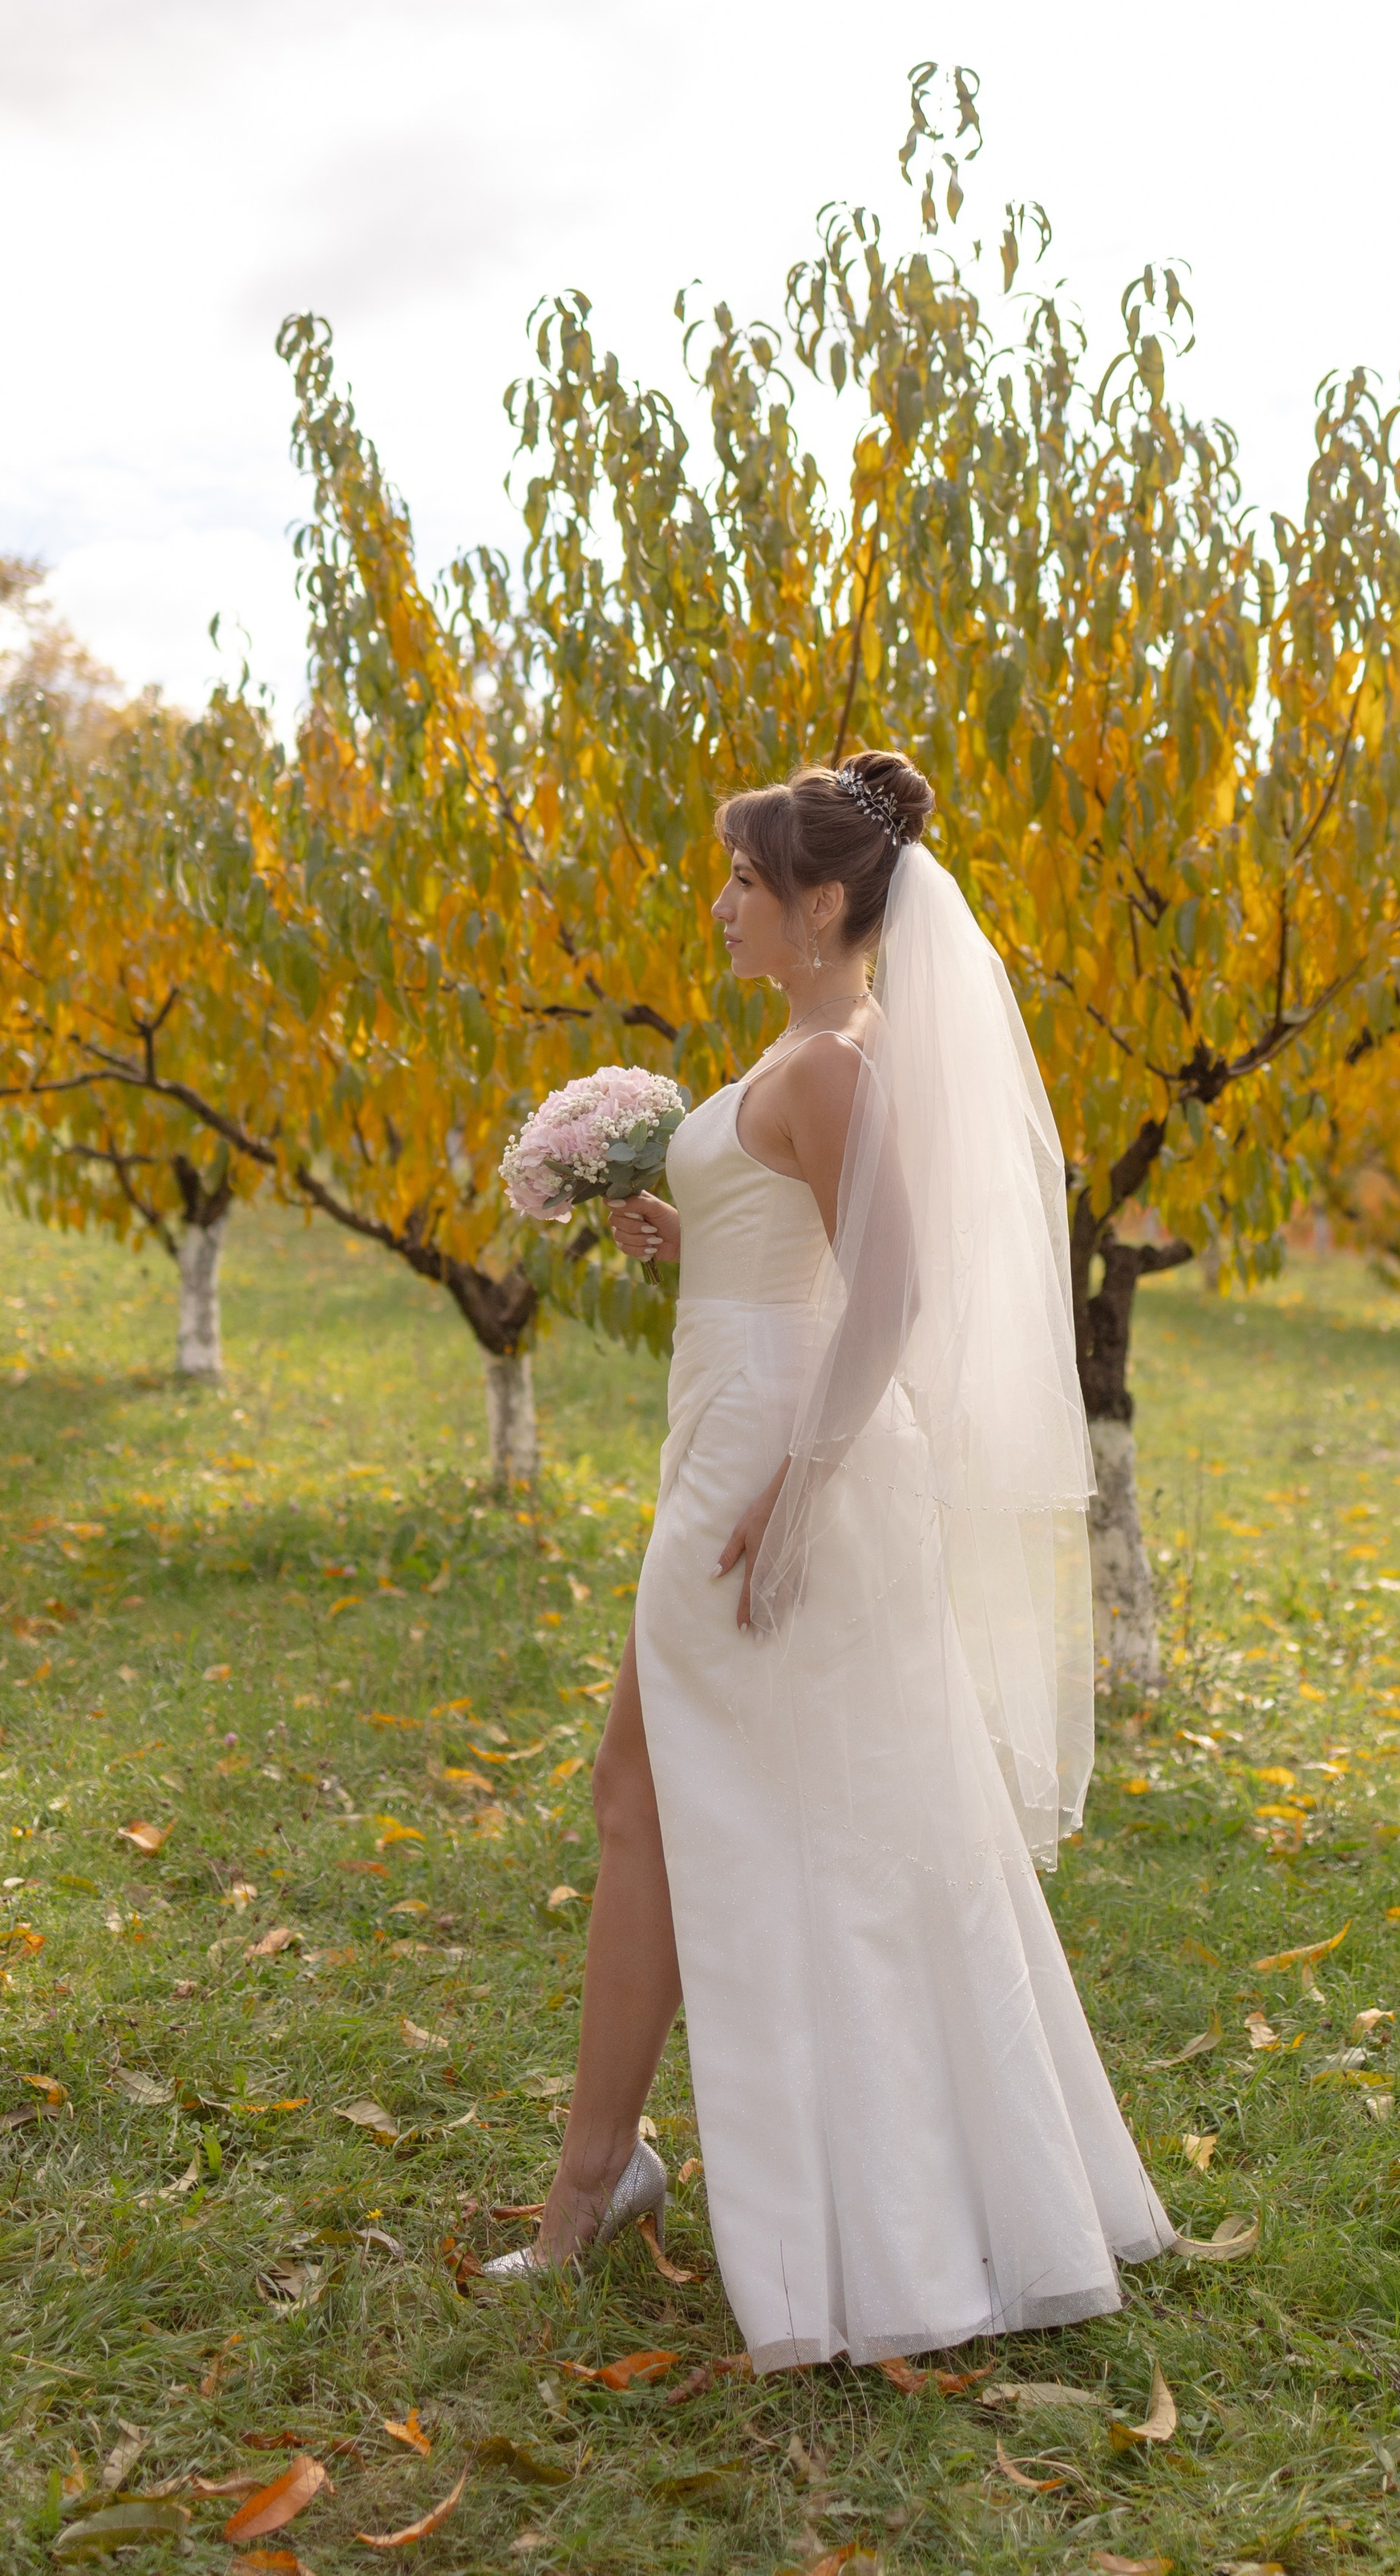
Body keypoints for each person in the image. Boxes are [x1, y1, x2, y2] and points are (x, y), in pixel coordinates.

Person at [481, 749, 1173, 2367]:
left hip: (776, 1463)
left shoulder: (840, 1063)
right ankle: (602, 2175)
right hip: (732, 1430)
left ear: (814, 906)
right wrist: (682, 1232)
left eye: (739, 882)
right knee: (651, 1794)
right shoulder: (799, 1053)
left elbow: (890, 1296)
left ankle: (600, 2186)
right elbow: (782, 1249)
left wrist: (796, 1496)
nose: (718, 904)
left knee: (693, 1802)